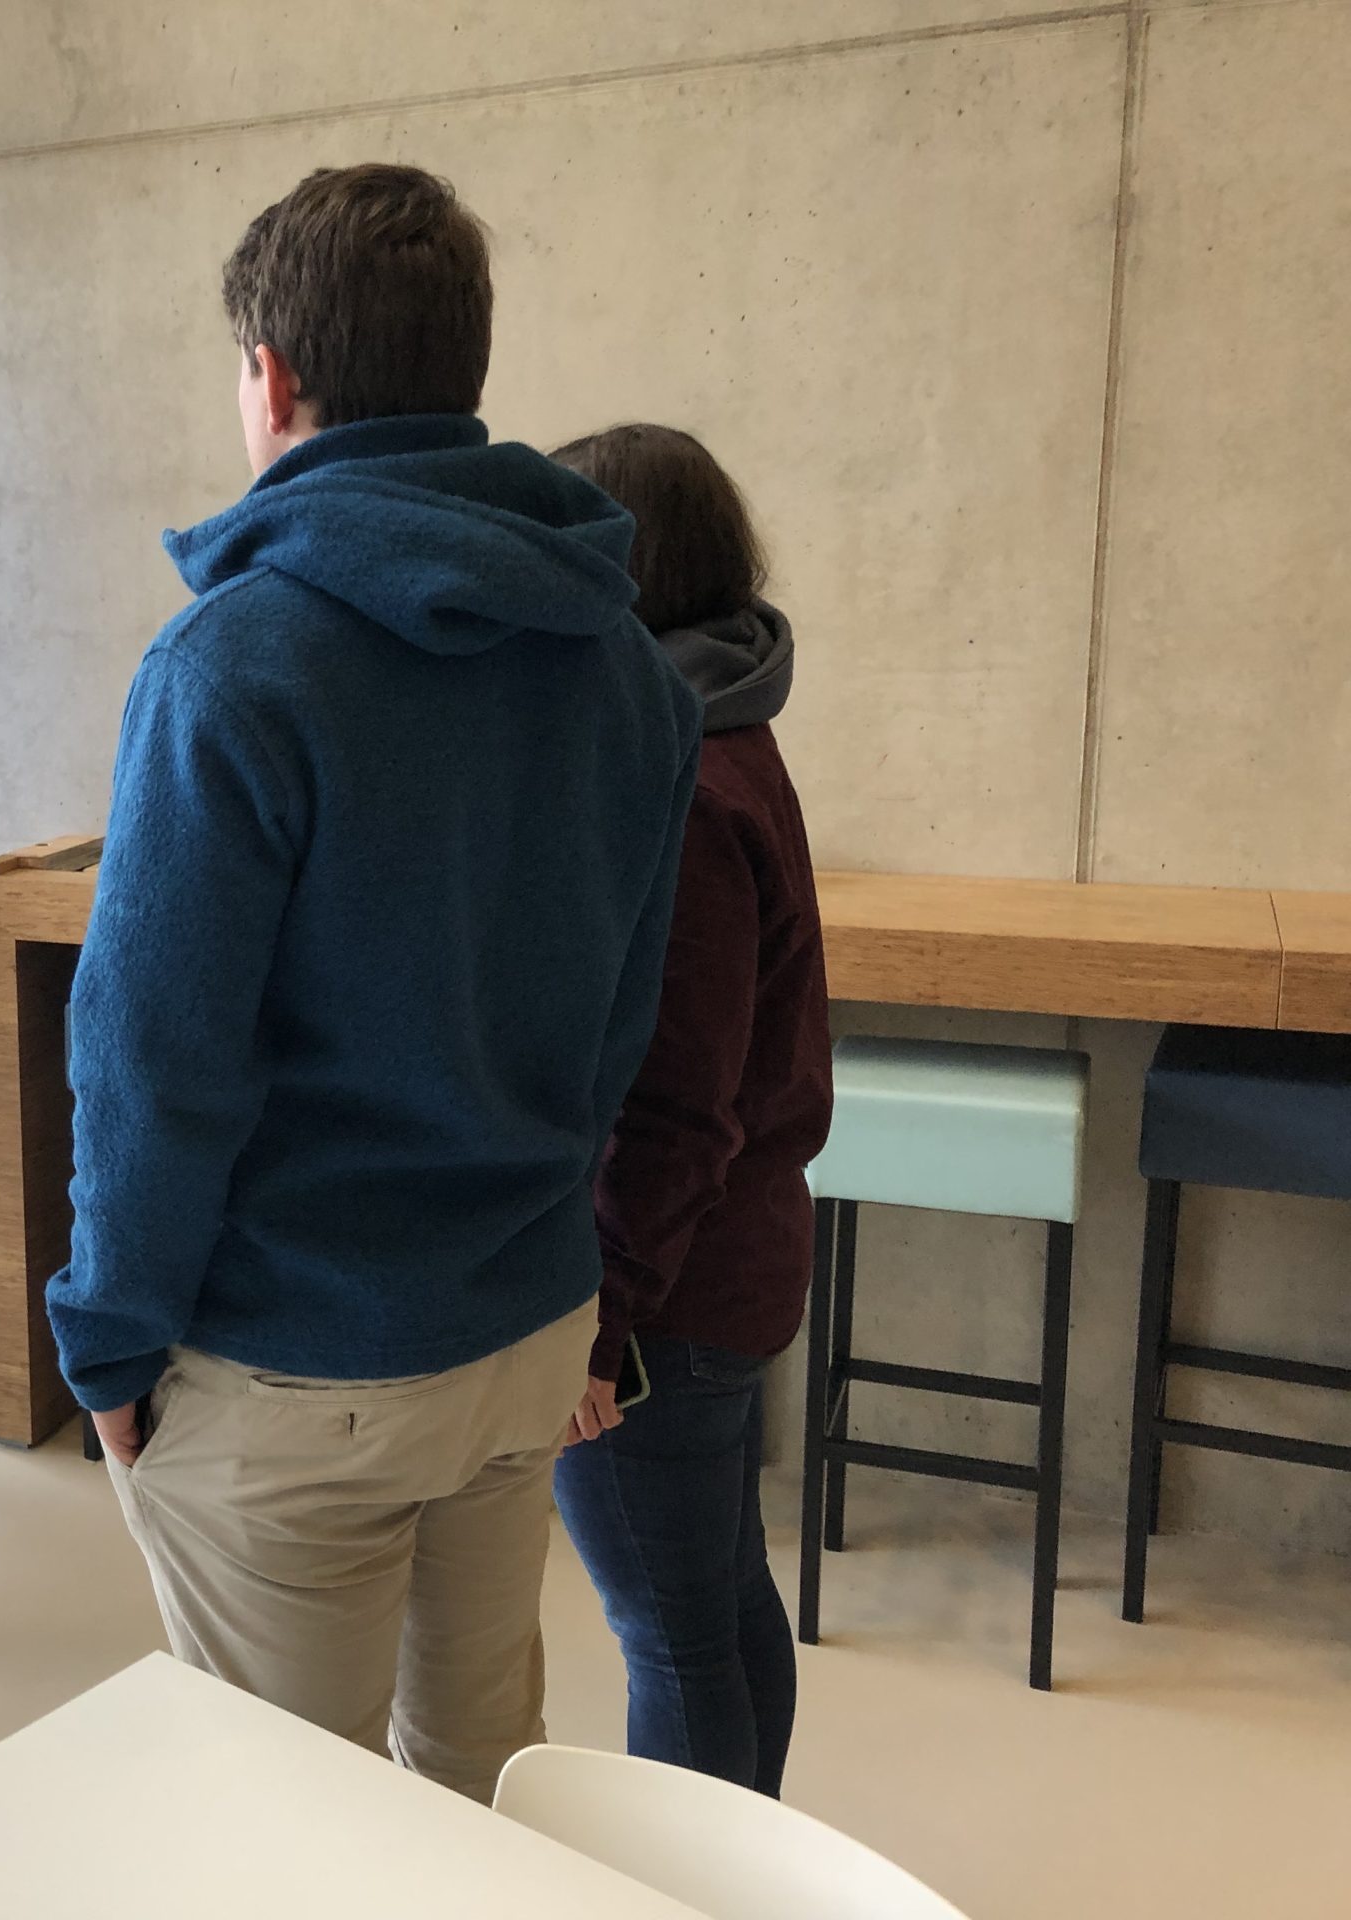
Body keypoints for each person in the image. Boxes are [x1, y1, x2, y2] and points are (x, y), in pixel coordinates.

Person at [42, 164, 700, 1805]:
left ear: (270, 375)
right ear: (464, 366)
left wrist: (108, 1337)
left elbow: (152, 1055)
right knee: (476, 1780)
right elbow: (627, 1015)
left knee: (294, 1824)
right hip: (525, 1323)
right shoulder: (624, 663)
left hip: (298, 1360)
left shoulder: (237, 661)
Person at [543, 424, 831, 1798]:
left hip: (671, 1297)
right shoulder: (725, 722)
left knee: (668, 1635)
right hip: (733, 1264)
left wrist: (600, 1324)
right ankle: (749, 1869)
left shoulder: (684, 780)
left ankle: (699, 1886)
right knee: (719, 1604)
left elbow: (677, 1103)